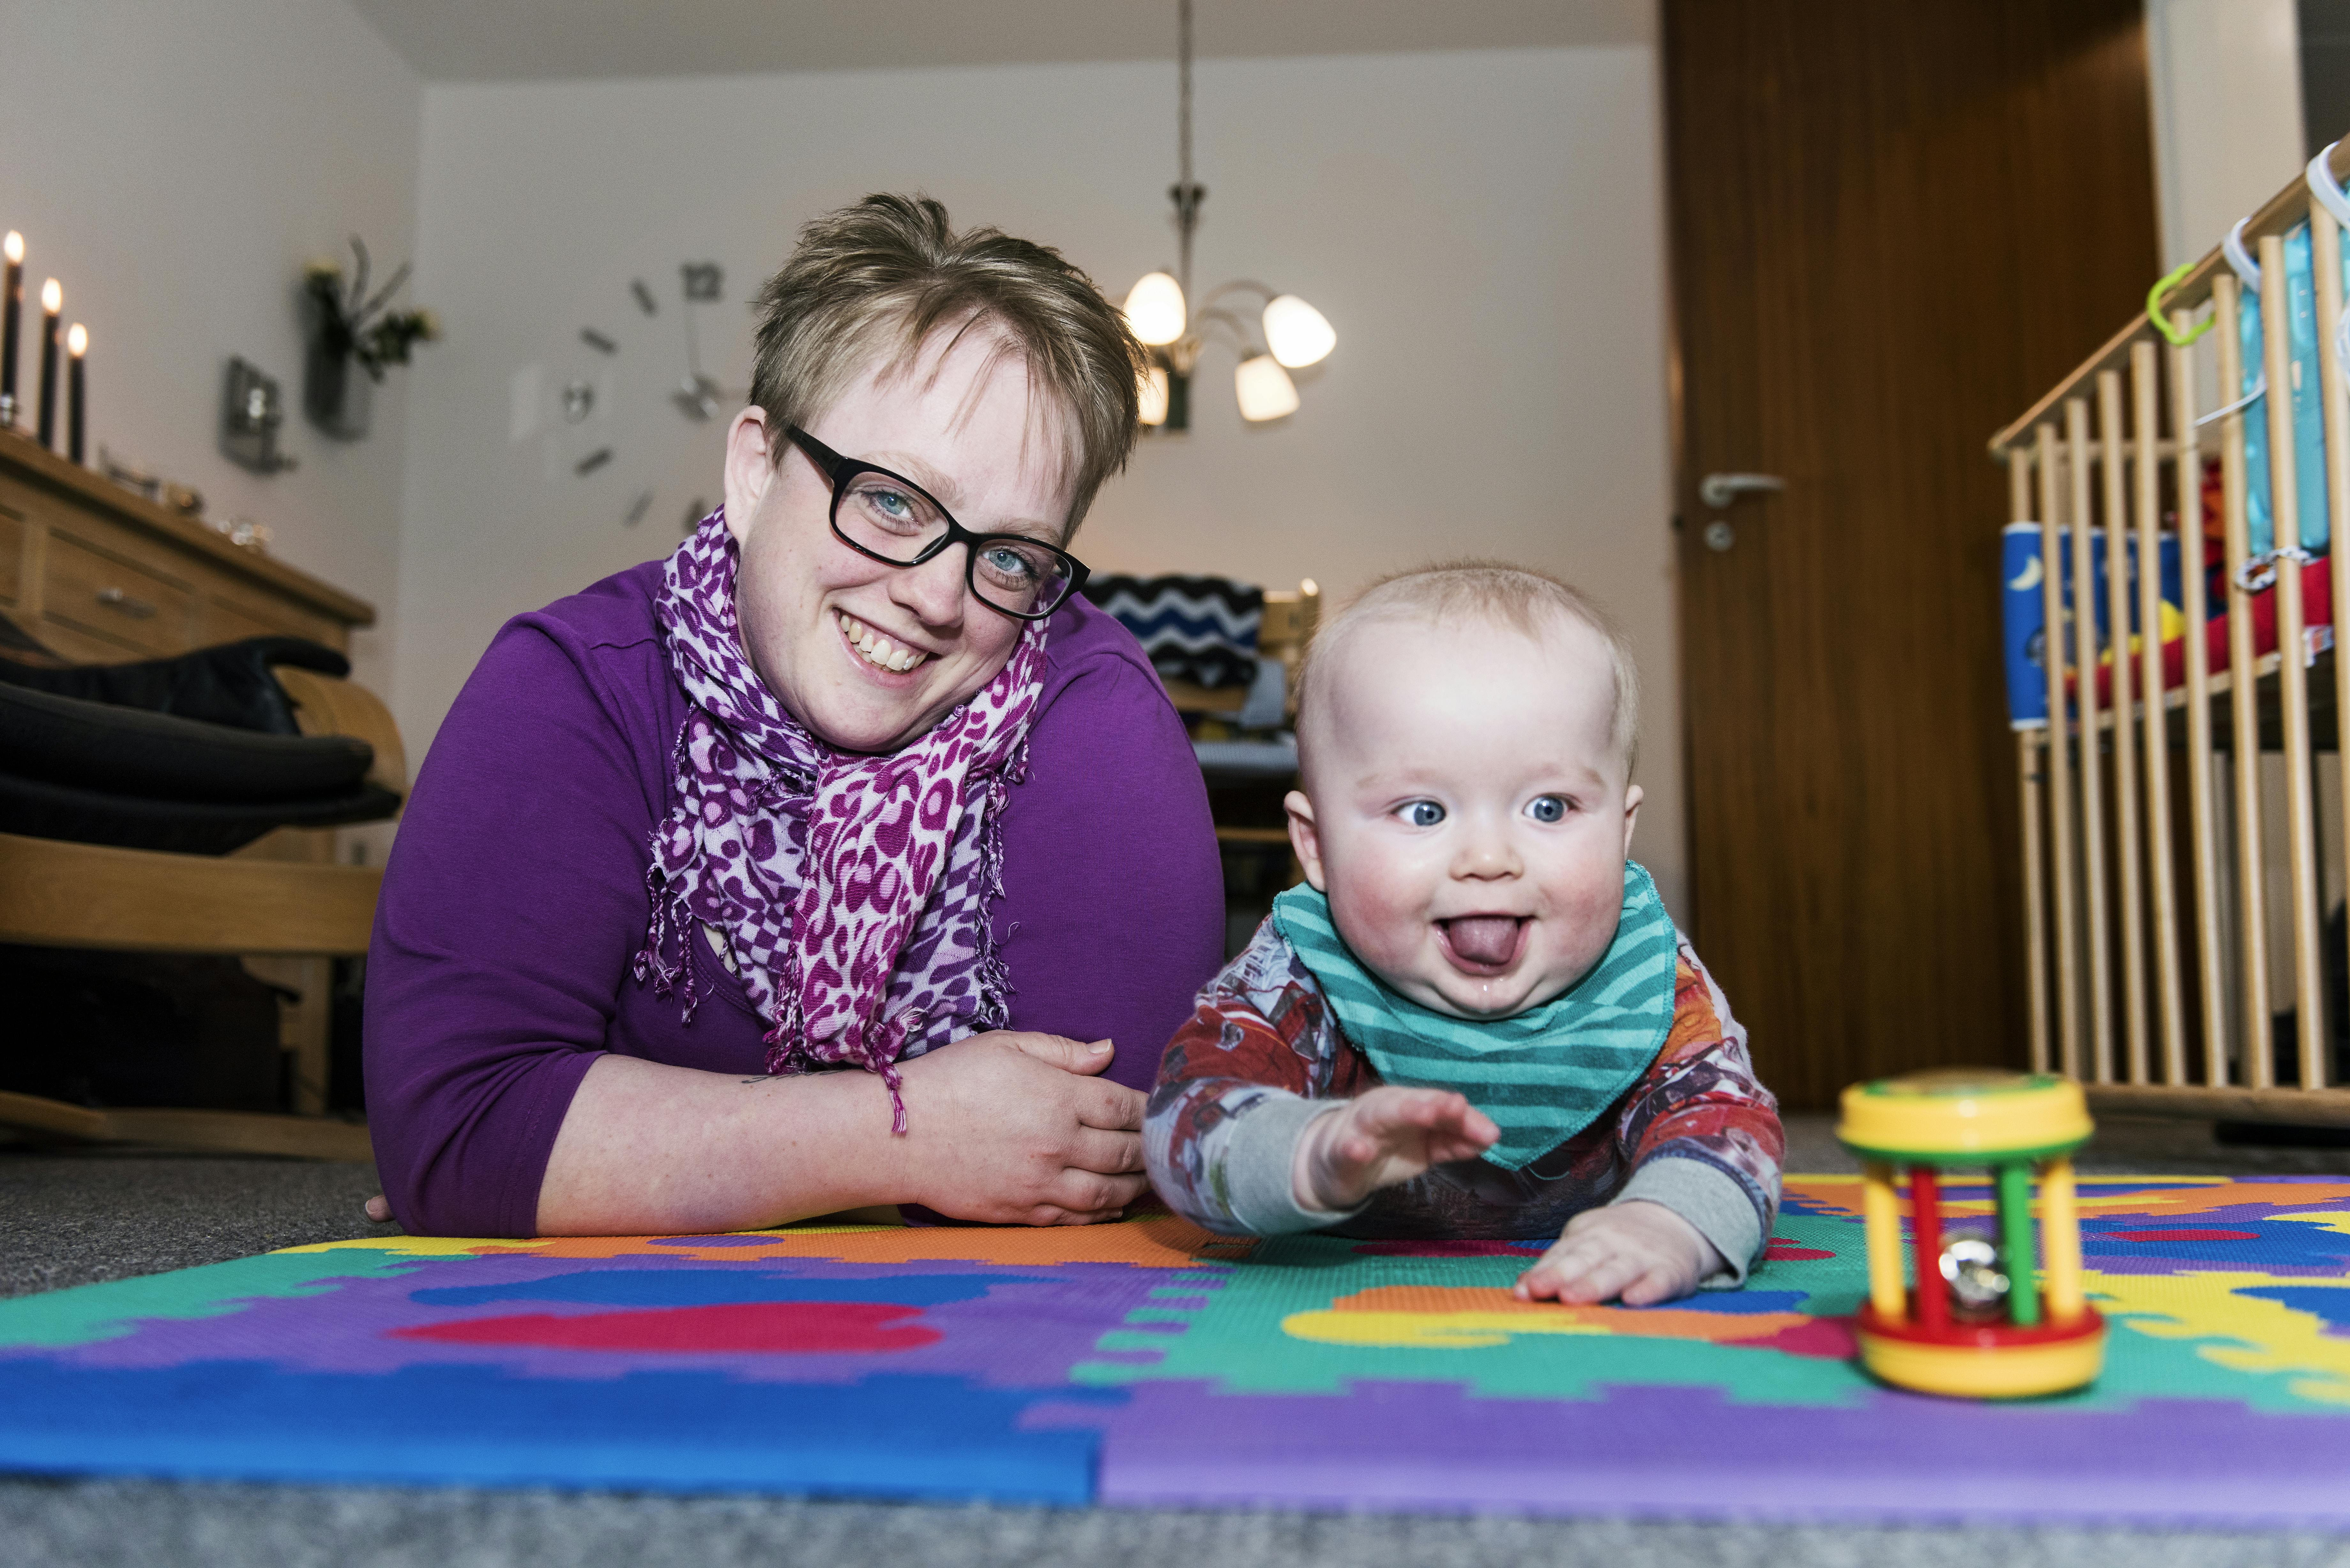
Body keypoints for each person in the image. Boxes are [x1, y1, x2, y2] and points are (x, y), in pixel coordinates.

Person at [365, 195, 1223, 1238]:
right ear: (755, 470)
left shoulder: (1094, 712)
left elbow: (1102, 1162)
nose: (941, 598)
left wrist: (612, 1160)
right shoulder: (579, 682)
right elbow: (464, 1134)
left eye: (1008, 555)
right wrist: (905, 1135)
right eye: (893, 500)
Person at [1143, 563, 1782, 1304]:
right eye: (1422, 811)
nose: (1488, 859)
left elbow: (1729, 1118)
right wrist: (1306, 1150)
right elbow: (1181, 1117)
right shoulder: (1303, 968)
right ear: (1315, 846)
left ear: (1620, 831)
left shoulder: (1642, 973)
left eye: (1548, 808)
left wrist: (1667, 1223)